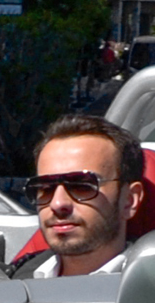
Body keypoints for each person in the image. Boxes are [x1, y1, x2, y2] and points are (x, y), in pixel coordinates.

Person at [10, 114, 147, 277]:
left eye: (82, 186)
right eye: (45, 188)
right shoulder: (16, 277)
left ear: (129, 200)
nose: (57, 203)